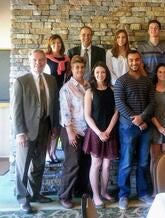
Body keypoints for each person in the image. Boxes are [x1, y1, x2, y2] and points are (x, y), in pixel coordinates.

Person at [12, 49, 59, 213]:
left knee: (39, 164)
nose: (37, 63)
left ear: (45, 62)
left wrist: (54, 126)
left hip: (45, 128)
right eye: (34, 60)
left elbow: (54, 105)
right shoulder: (21, 82)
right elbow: (16, 110)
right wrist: (20, 132)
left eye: (41, 60)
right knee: (23, 166)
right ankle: (22, 198)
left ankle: (35, 194)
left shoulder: (51, 80)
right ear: (29, 61)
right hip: (26, 131)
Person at [114, 50, 155, 210]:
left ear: (141, 61)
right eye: (131, 60)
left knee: (144, 162)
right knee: (126, 162)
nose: (134, 63)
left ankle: (143, 193)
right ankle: (123, 195)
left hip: (145, 127)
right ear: (127, 61)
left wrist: (142, 118)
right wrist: (136, 120)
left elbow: (152, 103)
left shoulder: (147, 81)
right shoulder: (121, 81)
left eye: (137, 60)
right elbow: (120, 104)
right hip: (127, 128)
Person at [83, 62, 119, 207]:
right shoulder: (89, 92)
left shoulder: (113, 90)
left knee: (106, 166)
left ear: (107, 74)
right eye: (97, 72)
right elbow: (87, 116)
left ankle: (104, 192)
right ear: (93, 74)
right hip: (95, 133)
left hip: (110, 132)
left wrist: (108, 130)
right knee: (96, 164)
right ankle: (96, 196)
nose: (100, 75)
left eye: (103, 72)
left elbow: (116, 112)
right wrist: (99, 133)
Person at [58, 55, 90, 209]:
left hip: (86, 131)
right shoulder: (66, 88)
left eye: (82, 67)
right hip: (72, 130)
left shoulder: (88, 85)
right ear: (71, 68)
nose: (80, 70)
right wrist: (70, 132)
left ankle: (80, 191)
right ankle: (64, 196)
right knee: (72, 164)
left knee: (85, 164)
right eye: (77, 67)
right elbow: (65, 112)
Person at [44, 34, 70, 164]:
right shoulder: (46, 58)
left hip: (62, 95)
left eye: (59, 43)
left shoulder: (66, 59)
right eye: (54, 43)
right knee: (50, 124)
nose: (56, 45)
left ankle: (53, 152)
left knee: (58, 125)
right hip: (50, 94)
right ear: (50, 44)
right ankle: (47, 153)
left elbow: (68, 77)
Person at [150, 63, 165, 179]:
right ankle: (155, 187)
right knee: (155, 158)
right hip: (154, 125)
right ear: (156, 73)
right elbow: (149, 110)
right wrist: (159, 127)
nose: (163, 74)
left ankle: (164, 186)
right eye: (160, 72)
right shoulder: (151, 87)